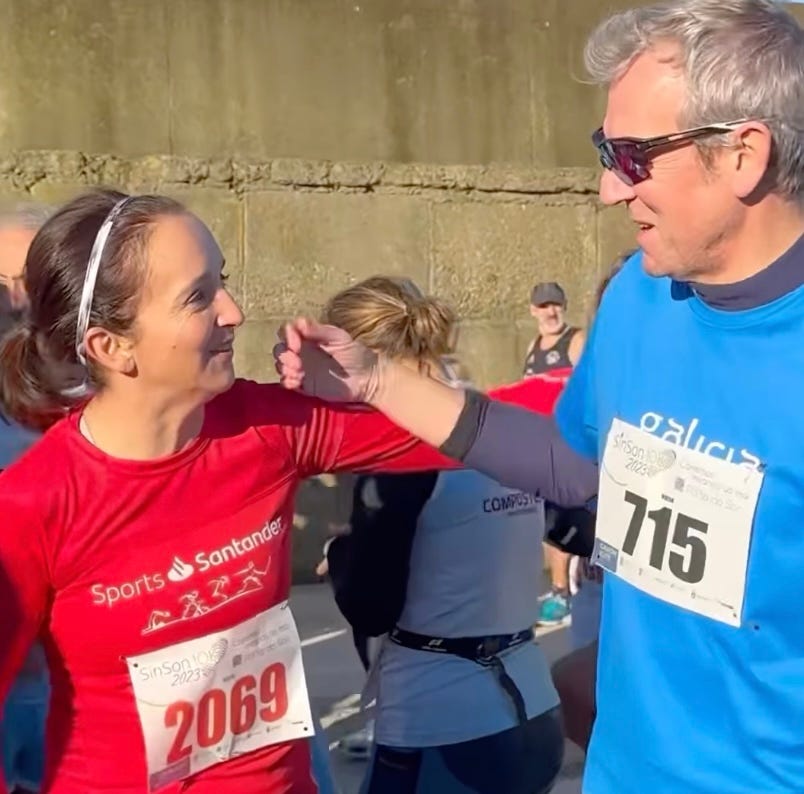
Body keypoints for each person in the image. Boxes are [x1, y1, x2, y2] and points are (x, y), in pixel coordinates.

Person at [274, 2, 804, 792]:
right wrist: (378, 380)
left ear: (743, 155)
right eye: (604, 152)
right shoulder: (638, 296)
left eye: (631, 155)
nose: (606, 189)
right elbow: (570, 463)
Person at [0, 188, 481, 794]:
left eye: (222, 281)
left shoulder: (263, 429)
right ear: (109, 346)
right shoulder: (29, 503)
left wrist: (376, 383)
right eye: (199, 296)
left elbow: (470, 434)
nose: (234, 310)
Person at [321, 276, 565, 794]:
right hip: (531, 706)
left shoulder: (404, 449)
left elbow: (370, 606)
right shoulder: (495, 417)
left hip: (442, 723)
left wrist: (340, 553)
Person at [0, 204, 52, 794]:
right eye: (3, 285)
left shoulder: (114, 396)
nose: (16, 302)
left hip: (79, 688)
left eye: (30, 283)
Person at [523, 282, 586, 627]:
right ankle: (558, 588)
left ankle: (563, 592)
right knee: (547, 523)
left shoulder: (575, 341)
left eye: (556, 305)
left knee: (561, 518)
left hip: (567, 446)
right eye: (543, 306)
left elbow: (589, 387)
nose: (550, 312)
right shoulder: (533, 346)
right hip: (540, 446)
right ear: (532, 310)